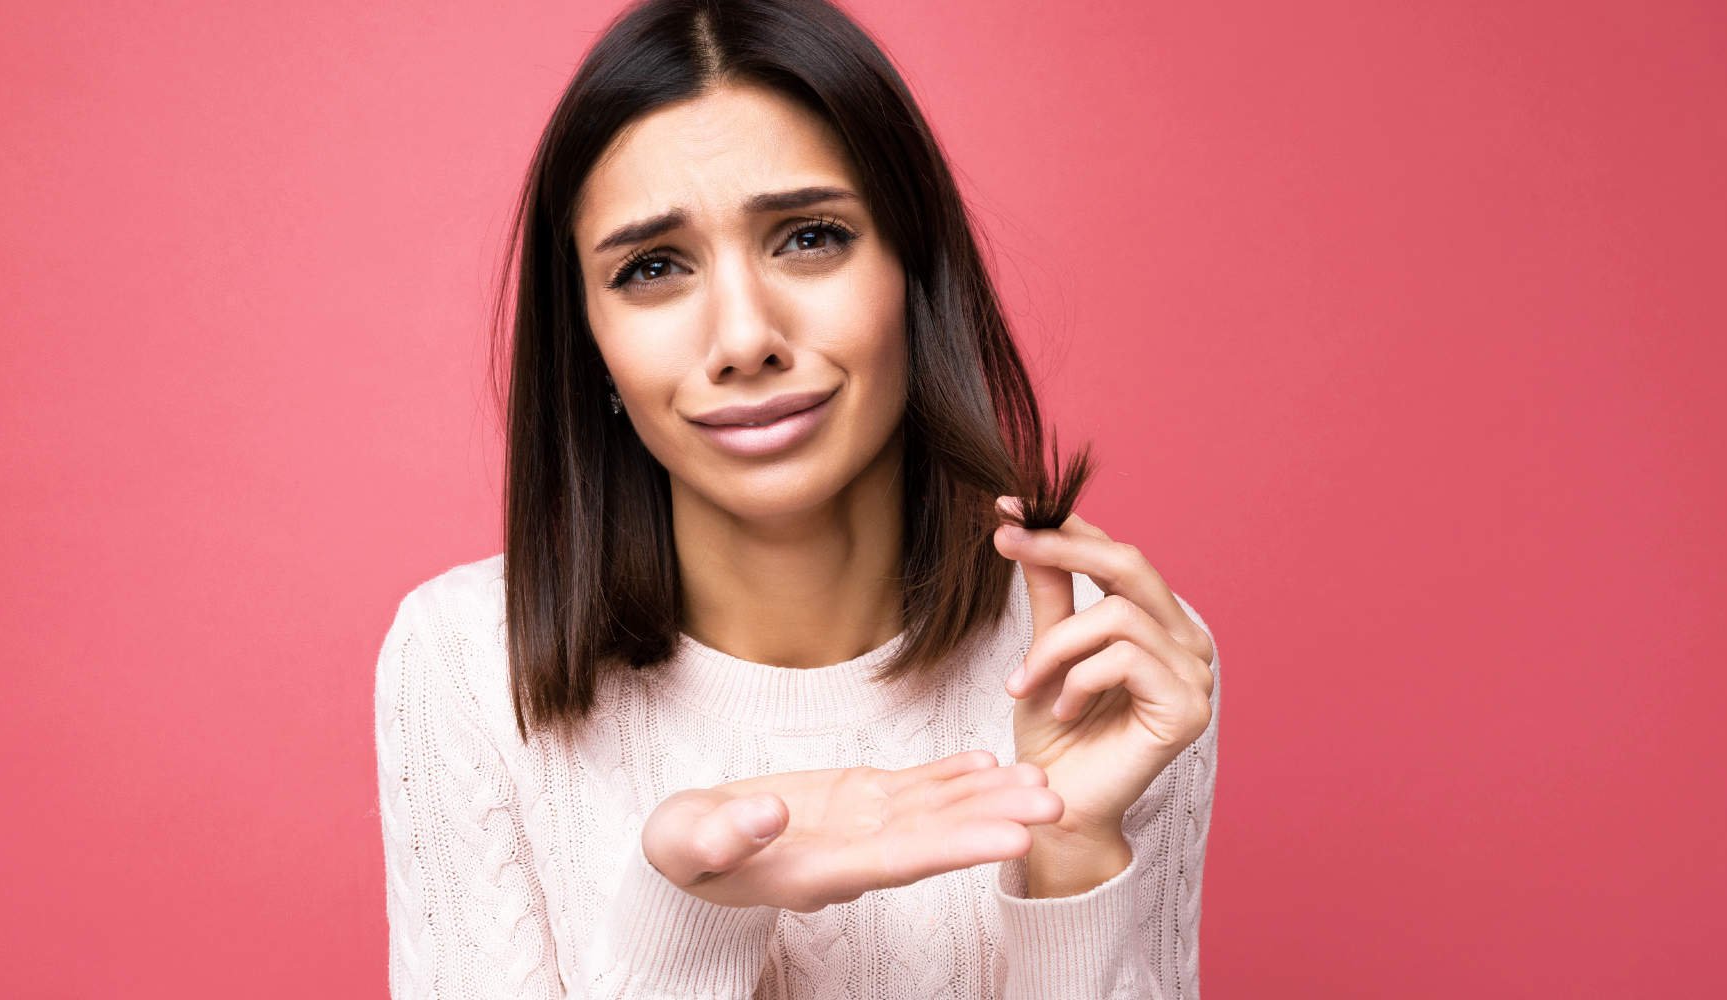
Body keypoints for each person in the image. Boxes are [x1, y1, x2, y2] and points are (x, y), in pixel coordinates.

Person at [372, 0, 1222, 996]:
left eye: (810, 237)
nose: (744, 338)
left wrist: (1072, 855)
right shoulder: (466, 663)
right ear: (589, 339)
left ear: (915, 268)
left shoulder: (1105, 668)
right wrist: (690, 923)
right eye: (652, 267)